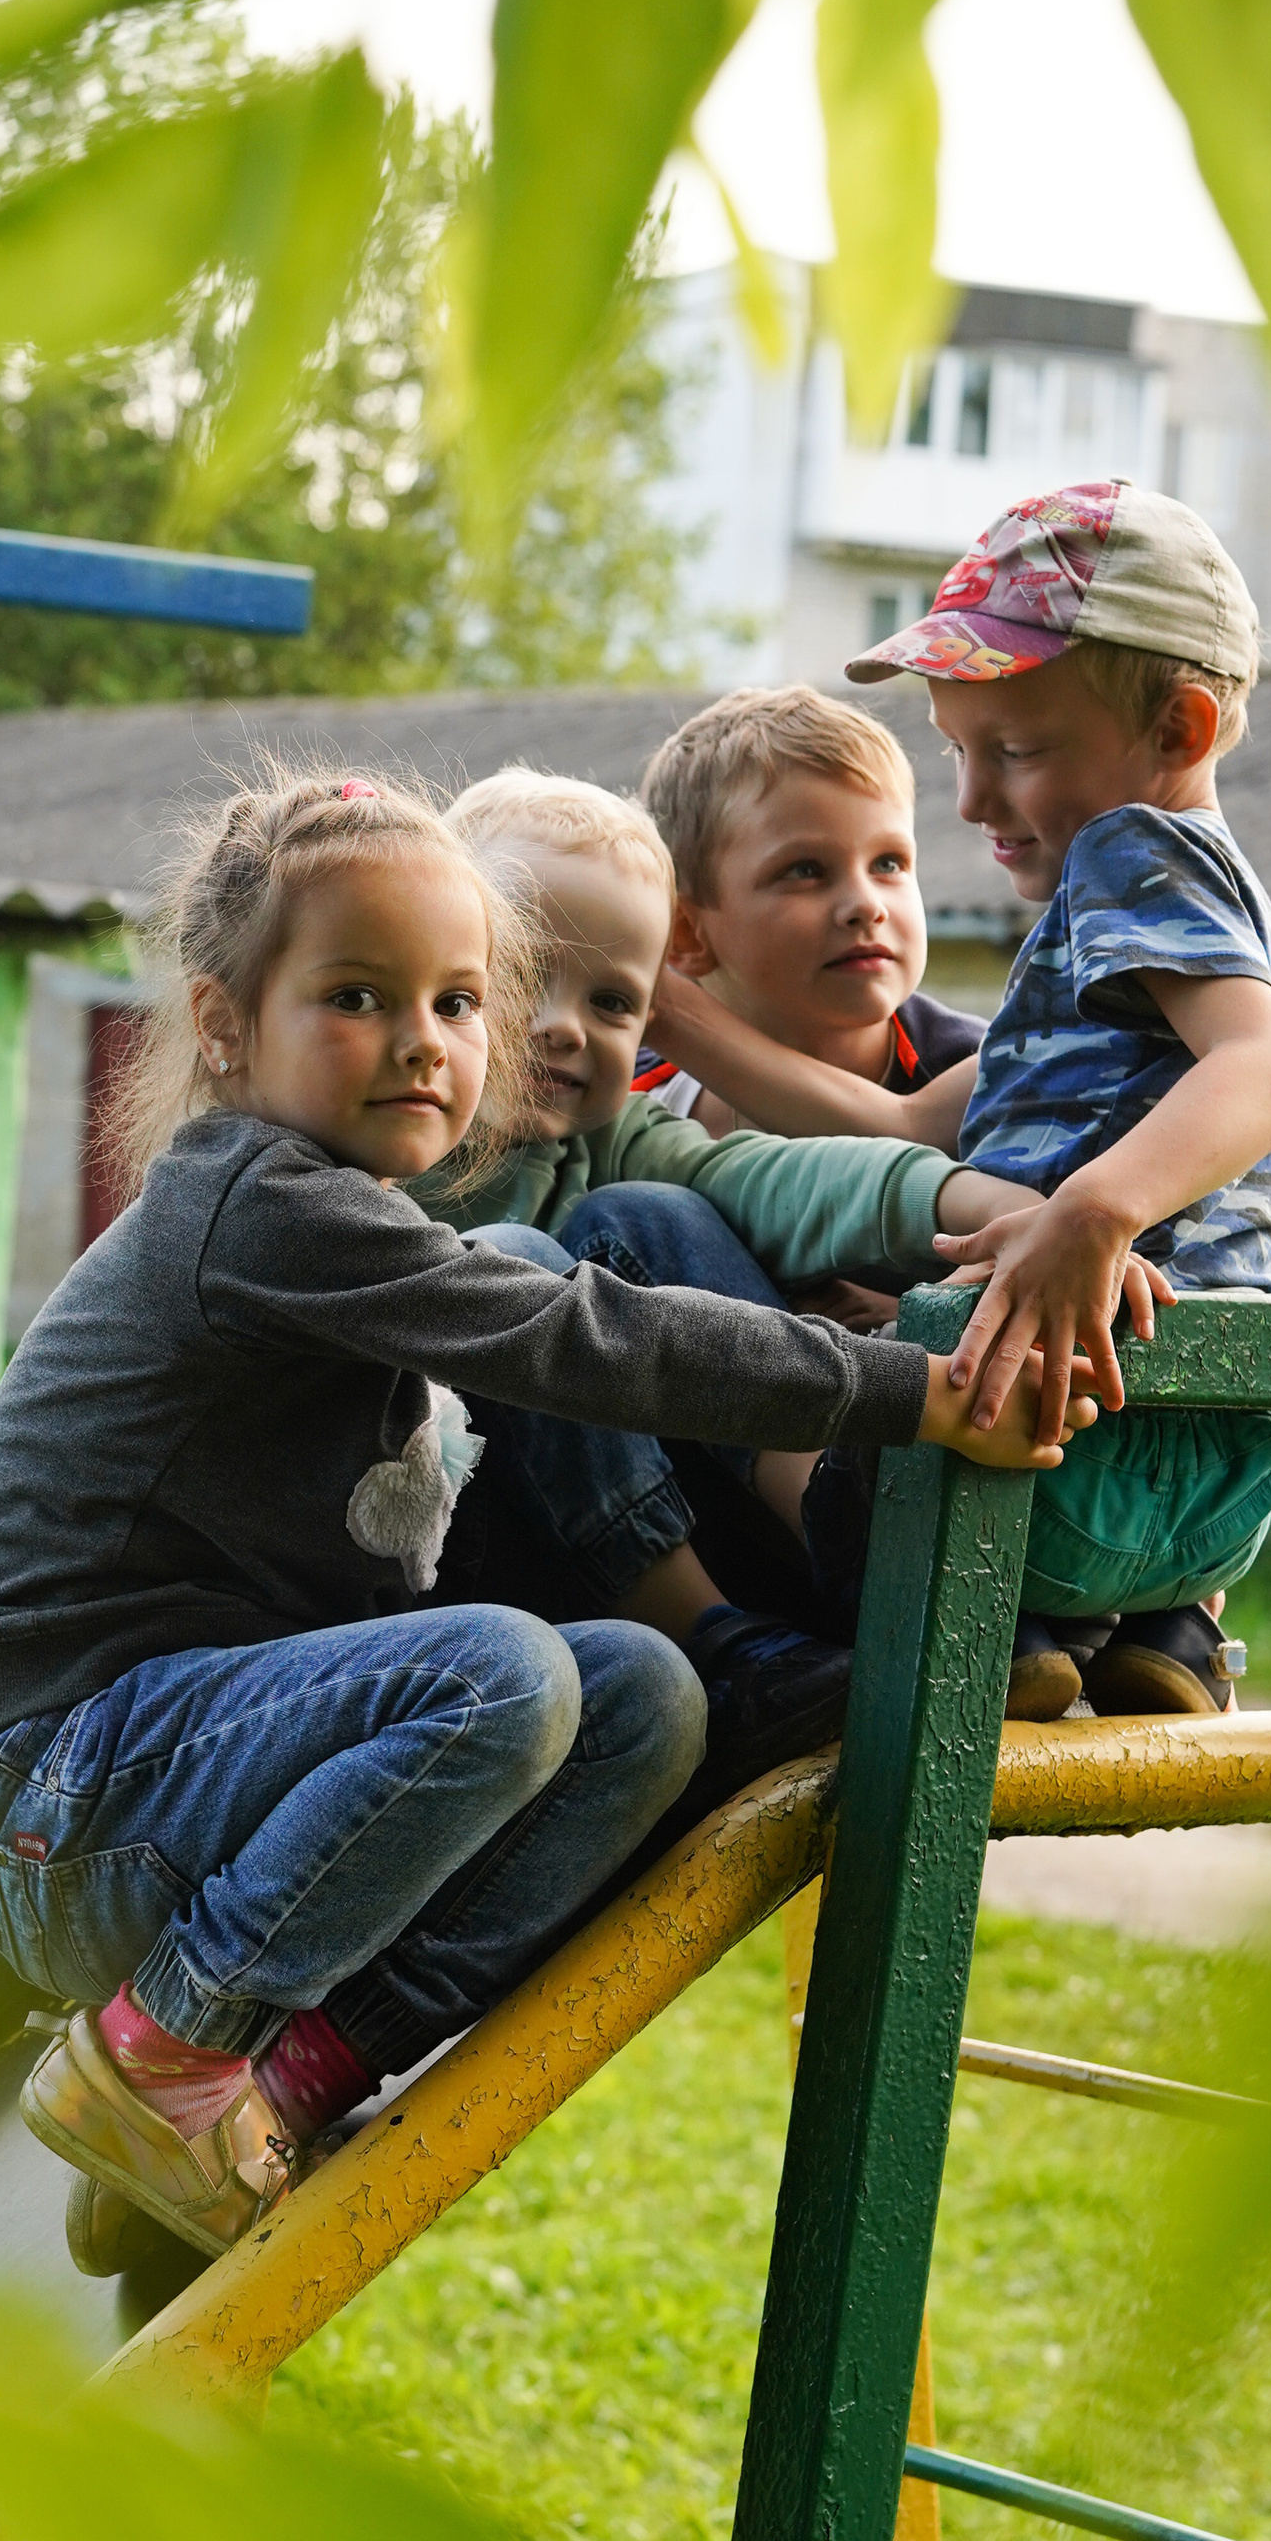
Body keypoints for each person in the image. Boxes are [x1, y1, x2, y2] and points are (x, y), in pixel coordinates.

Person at [0, 767, 1091, 2268]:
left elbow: (707, 1226)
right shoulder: (261, 1203)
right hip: (55, 1792)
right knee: (504, 1671)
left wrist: (968, 1209)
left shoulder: (386, 1211)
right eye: (357, 995)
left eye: (459, 1004)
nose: (423, 1042)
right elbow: (591, 1337)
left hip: (200, 1784)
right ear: (223, 1027)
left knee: (643, 1699)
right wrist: (908, 1388)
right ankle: (166, 2056)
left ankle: (287, 2077)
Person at [411, 763, 1052, 1787]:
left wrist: (970, 1204)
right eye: (526, 976)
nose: (569, 1025)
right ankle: (717, 1643)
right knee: (519, 1271)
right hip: (444, 1551)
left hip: (612, 1519)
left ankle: (877, 1572)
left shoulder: (608, 1137)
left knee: (662, 1213)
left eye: (615, 1001)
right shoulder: (372, 1141)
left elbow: (774, 1176)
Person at [826, 476, 1271, 1720]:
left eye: (1016, 751)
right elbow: (896, 1124)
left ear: (1180, 728)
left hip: (1059, 1417)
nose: (973, 802)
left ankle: (1015, 1627)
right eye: (959, 752)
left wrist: (1093, 1211)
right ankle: (1164, 1632)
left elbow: (1269, 1071)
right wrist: (679, 1021)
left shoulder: (1130, 852)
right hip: (1219, 1456)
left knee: (835, 1459)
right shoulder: (1122, 968)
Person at [629, 685, 990, 1152]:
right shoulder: (623, 1100)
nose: (866, 905)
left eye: (888, 863)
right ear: (686, 934)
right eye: (806, 871)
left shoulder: (985, 1069)